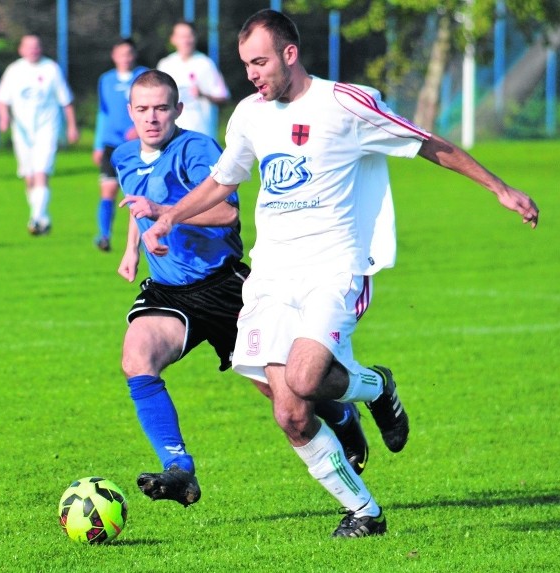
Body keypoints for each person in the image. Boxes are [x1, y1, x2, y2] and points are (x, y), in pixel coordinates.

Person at [141, 10, 540, 538]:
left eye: (260, 61)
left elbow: (427, 143)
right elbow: (223, 179)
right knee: (291, 413)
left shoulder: (344, 104)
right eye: (245, 65)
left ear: (289, 53)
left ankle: (374, 387)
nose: (252, 74)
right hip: (270, 276)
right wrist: (171, 214)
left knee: (306, 380)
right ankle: (365, 512)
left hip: (335, 267)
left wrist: (499, 188)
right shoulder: (248, 115)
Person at [112, 70, 370, 508]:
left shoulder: (196, 150)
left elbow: (227, 215)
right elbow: (137, 205)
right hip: (169, 290)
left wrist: (163, 212)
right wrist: (133, 247)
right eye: (142, 109)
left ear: (177, 109)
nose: (152, 118)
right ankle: (178, 469)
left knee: (283, 390)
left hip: (224, 285)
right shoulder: (123, 156)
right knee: (136, 358)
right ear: (130, 112)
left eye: (161, 108)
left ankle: (343, 412)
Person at [0, 34, 79, 236]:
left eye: (36, 46)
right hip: (22, 131)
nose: (33, 50)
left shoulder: (51, 69)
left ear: (41, 48)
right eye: (29, 47)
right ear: (21, 50)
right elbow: (1, 99)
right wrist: (4, 117)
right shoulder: (14, 70)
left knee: (41, 172)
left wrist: (72, 126)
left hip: (46, 129)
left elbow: (66, 100)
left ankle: (36, 218)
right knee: (29, 177)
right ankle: (42, 218)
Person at [92, 38, 149, 252]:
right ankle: (104, 235)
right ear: (114, 56)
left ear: (134, 55)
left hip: (138, 144)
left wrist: (140, 125)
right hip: (111, 144)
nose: (125, 58)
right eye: (121, 54)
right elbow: (103, 112)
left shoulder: (144, 76)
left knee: (139, 192)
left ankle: (145, 236)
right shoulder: (105, 80)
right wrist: (98, 144)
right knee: (108, 189)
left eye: (129, 53)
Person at [157, 20, 230, 140]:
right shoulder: (165, 65)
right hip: (172, 136)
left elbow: (224, 97)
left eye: (189, 36)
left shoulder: (206, 63)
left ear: (195, 37)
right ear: (173, 39)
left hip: (202, 134)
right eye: (181, 36)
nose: (185, 40)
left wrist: (203, 94)